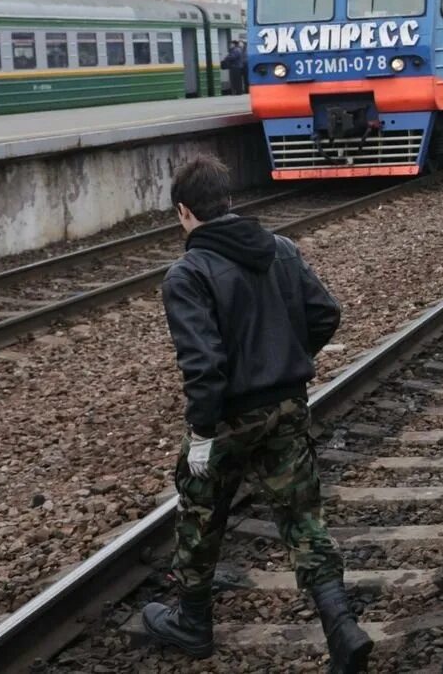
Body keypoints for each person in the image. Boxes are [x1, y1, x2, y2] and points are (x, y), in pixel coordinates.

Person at [142, 155, 372, 672]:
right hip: (286, 408)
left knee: (200, 513)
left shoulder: (188, 274)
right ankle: (341, 627)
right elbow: (325, 313)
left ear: (184, 211)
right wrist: (290, 358)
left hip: (227, 419)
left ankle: (193, 622)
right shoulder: (281, 251)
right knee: (302, 518)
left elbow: (203, 365)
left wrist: (202, 433)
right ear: (228, 201)